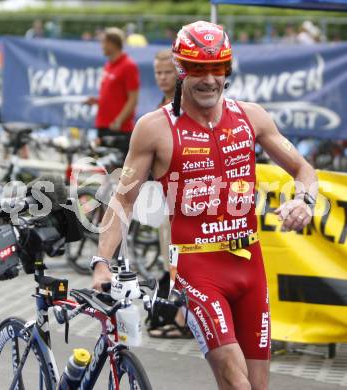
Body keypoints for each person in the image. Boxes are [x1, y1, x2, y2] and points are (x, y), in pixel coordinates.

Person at [92, 21, 318, 390]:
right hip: (199, 269)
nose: (210, 79)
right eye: (198, 68)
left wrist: (305, 200)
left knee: (258, 386)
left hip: (250, 266)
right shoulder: (155, 128)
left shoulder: (251, 116)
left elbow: (303, 168)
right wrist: (102, 261)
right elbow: (122, 199)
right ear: (182, 69)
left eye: (219, 68)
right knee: (235, 380)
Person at [147, 48, 191, 339]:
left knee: (181, 257)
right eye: (157, 73)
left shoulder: (185, 104)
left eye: (167, 72)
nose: (162, 78)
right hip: (164, 194)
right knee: (170, 258)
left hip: (186, 196)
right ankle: (179, 313)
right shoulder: (162, 104)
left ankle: (182, 316)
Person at [85, 27, 140, 157]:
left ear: (112, 43)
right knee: (103, 171)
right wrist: (97, 101)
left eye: (103, 42)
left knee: (117, 172)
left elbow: (133, 98)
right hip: (104, 126)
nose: (101, 46)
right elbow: (113, 95)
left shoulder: (128, 66)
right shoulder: (109, 65)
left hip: (118, 129)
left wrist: (119, 120)